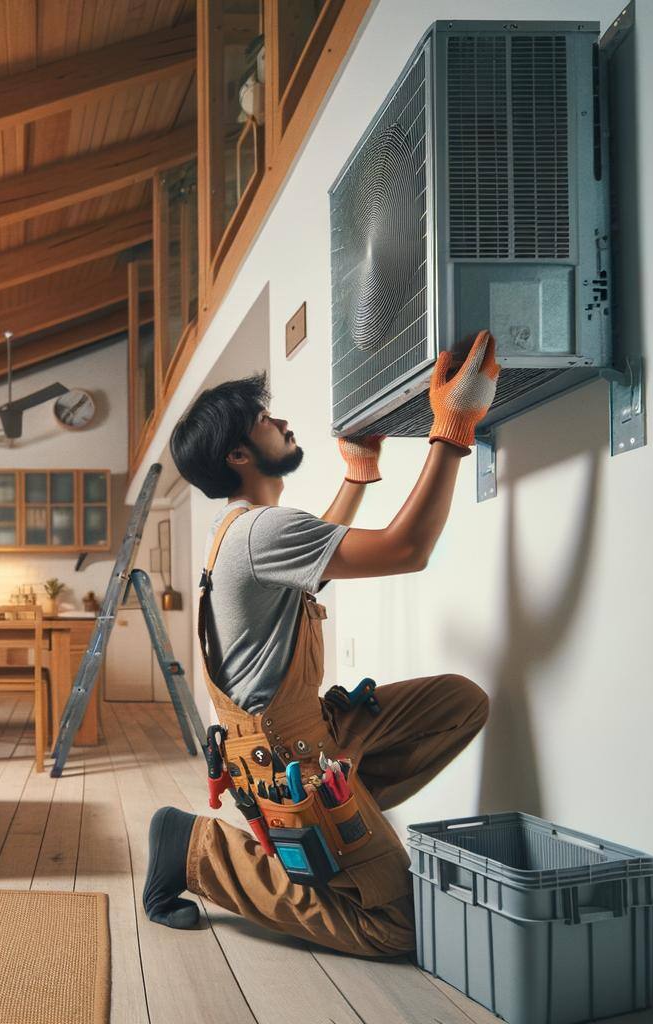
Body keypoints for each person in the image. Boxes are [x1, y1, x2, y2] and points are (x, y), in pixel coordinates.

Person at [142, 329, 499, 956]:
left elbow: (321, 553)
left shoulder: (250, 530)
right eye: (263, 420)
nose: (280, 422)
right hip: (286, 755)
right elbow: (407, 551)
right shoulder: (261, 531)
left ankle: (337, 832)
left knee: (459, 702)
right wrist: (453, 432)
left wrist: (358, 474)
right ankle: (199, 850)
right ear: (239, 456)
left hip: (311, 728)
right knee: (396, 928)